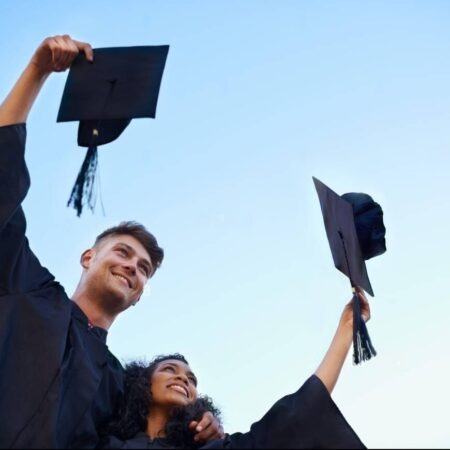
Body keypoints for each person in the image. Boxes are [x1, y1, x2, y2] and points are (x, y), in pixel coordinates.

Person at [0, 35, 222, 449]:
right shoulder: (28, 288)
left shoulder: (119, 387)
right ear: (88, 257)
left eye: (143, 269)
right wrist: (37, 71)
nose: (132, 267)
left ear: (138, 296)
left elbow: (154, 436)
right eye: (123, 252)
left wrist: (203, 427)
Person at [99, 291, 370, 449]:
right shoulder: (105, 443)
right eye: (169, 369)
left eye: (192, 379)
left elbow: (296, 416)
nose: (183, 377)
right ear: (142, 384)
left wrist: (346, 329)